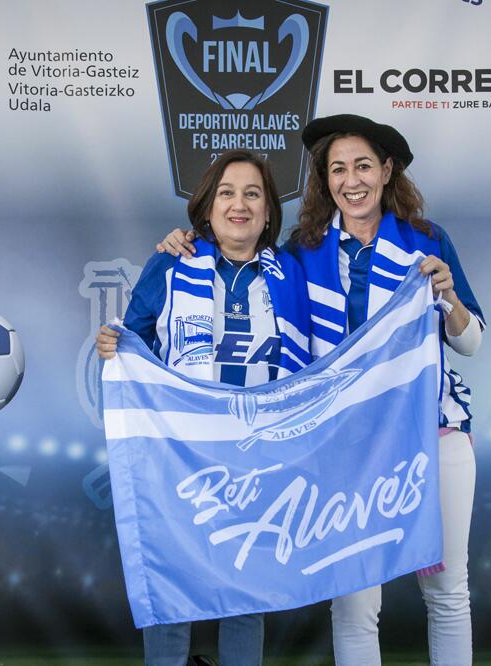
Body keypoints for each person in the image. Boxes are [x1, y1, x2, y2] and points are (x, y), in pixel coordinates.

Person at [156, 114, 485, 666]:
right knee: (355, 606)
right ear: (324, 180)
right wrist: (184, 242)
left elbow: (471, 342)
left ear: (386, 171)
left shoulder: (427, 240)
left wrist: (449, 300)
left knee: (447, 592)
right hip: (345, 447)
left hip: (433, 433)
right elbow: (237, 253)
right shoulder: (302, 252)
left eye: (362, 166)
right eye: (337, 169)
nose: (351, 181)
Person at [96, 149, 313, 666]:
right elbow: (136, 347)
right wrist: (115, 346)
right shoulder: (172, 264)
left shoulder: (294, 274)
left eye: (253, 194)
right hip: (180, 455)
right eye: (227, 193)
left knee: (245, 593)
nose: (239, 204)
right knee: (173, 586)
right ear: (208, 207)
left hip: (259, 455)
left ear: (267, 213)